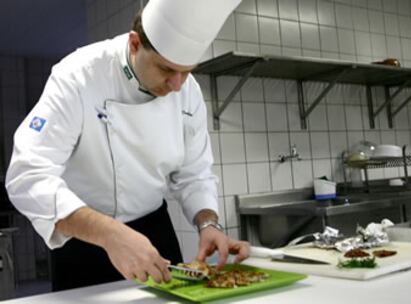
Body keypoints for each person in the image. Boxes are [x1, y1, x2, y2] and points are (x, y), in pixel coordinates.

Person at [5, 0, 249, 291]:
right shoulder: (78, 75)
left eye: (187, 71)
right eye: (167, 69)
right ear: (134, 44)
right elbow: (26, 175)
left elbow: (195, 173)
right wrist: (109, 233)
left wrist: (208, 224)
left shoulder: (188, 91)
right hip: (85, 237)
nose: (177, 85)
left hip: (155, 233)